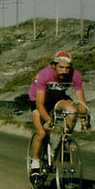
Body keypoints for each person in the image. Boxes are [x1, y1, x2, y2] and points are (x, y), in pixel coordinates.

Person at [28, 51, 90, 180]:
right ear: (54, 66)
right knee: (41, 133)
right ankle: (35, 163)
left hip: (58, 98)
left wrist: (84, 118)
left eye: (67, 68)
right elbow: (39, 103)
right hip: (38, 100)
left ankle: (60, 144)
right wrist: (48, 119)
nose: (65, 71)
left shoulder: (76, 75)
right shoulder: (44, 74)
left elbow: (81, 100)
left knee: (72, 110)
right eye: (61, 67)